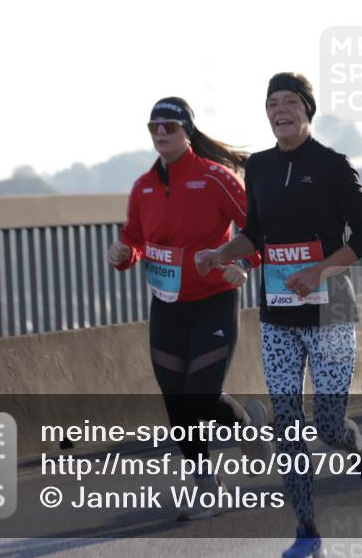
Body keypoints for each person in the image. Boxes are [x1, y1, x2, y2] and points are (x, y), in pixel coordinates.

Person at [194, 73, 362, 557]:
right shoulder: (258, 167)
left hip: (330, 313)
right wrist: (221, 253)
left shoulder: (332, 165)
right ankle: (306, 529)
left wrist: (320, 271)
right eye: (272, 103)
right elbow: (255, 234)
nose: (281, 110)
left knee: (327, 426)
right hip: (278, 316)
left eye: (290, 102)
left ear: (307, 110)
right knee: (286, 425)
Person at [106, 97, 269, 520]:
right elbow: (136, 239)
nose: (161, 133)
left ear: (187, 130)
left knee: (200, 396)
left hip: (214, 300)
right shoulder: (143, 186)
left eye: (170, 126)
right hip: (167, 304)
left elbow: (259, 230)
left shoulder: (216, 178)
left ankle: (247, 425)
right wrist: (124, 253)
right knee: (176, 402)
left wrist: (242, 263)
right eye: (154, 126)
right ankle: (206, 485)